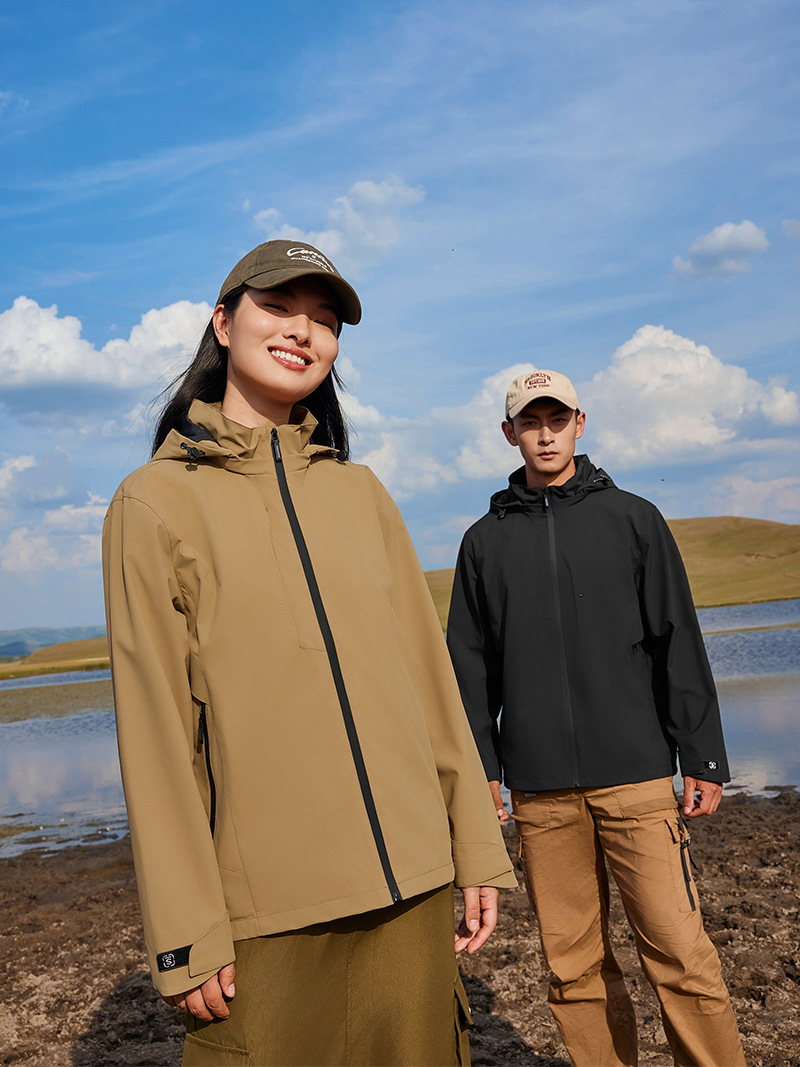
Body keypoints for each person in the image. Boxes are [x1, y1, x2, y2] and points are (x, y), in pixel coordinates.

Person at [102, 239, 516, 1067]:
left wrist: (474, 845)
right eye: (279, 307)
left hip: (412, 893)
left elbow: (429, 685)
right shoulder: (152, 503)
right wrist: (184, 930)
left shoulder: (362, 493)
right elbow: (156, 737)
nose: (303, 331)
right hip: (269, 917)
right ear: (223, 323)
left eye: (324, 320)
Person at [446, 369, 746, 1067]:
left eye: (557, 419)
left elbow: (677, 640)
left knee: (680, 954)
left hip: (637, 780)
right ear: (509, 433)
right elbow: (468, 672)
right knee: (573, 970)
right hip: (541, 795)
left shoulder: (634, 519)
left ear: (580, 423)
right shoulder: (483, 543)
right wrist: (482, 772)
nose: (545, 434)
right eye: (530, 422)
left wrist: (701, 755)